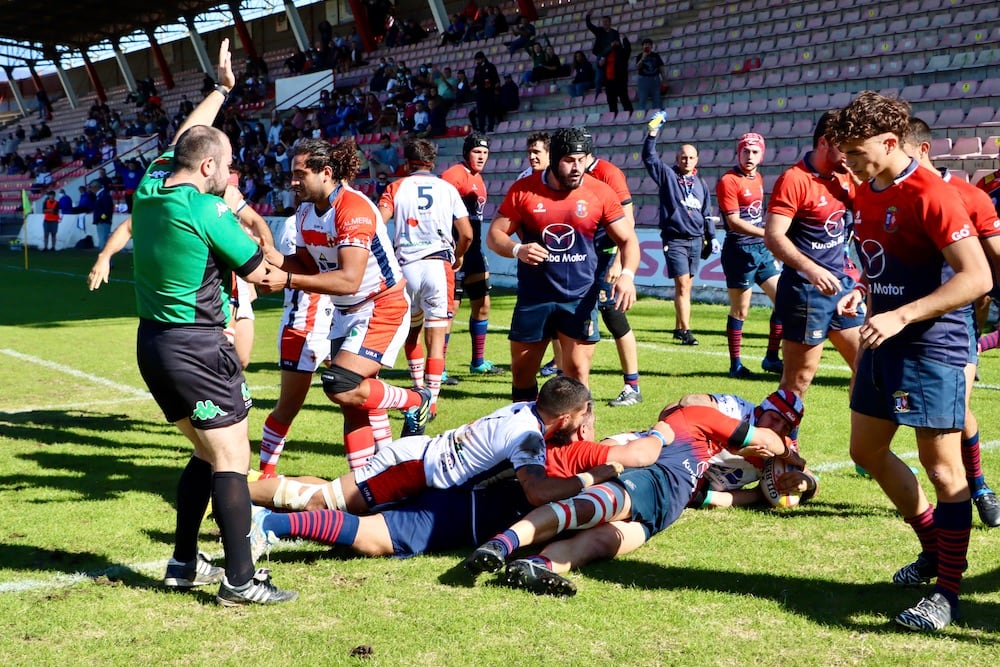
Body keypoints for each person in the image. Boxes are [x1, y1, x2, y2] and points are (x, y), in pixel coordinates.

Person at [130, 38, 296, 606]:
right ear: (209, 168)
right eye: (225, 167)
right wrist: (307, 271)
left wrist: (223, 89)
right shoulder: (206, 209)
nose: (230, 175)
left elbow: (184, 140)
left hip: (152, 344)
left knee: (205, 452)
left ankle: (181, 563)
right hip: (197, 347)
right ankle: (240, 581)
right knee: (231, 458)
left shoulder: (152, 186)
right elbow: (263, 276)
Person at [829, 91, 991, 632]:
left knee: (944, 470)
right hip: (883, 337)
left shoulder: (932, 193)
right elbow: (884, 262)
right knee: (867, 450)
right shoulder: (867, 187)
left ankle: (947, 593)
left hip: (931, 348)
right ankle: (932, 548)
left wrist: (904, 315)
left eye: (854, 151)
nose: (844, 162)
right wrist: (865, 293)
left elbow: (977, 277)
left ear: (891, 142)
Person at [465, 389, 806, 595]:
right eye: (773, 420)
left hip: (667, 508)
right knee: (592, 504)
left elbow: (713, 495)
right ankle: (501, 543)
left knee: (600, 543)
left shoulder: (731, 457)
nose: (774, 428)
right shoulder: (705, 415)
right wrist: (788, 452)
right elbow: (765, 440)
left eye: (785, 426)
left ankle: (537, 566)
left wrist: (787, 486)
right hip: (653, 477)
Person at [246, 396, 662, 559]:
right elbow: (539, 491)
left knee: (326, 493)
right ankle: (252, 511)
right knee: (334, 507)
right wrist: (600, 471)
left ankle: (244, 495)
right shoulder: (537, 439)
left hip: (430, 474)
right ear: (571, 419)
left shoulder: (528, 407)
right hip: (421, 474)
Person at [258, 137, 431, 471]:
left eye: (299, 174)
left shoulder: (353, 208)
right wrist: (273, 259)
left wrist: (287, 280)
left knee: (340, 384)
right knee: (354, 406)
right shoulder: (306, 211)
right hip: (345, 312)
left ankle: (415, 400)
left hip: (382, 305)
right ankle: (365, 485)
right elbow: (309, 267)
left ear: (326, 172)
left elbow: (348, 278)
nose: (292, 181)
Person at [486, 126, 639, 399]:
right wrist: (517, 249)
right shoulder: (524, 190)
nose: (577, 167)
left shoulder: (601, 192)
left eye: (582, 160)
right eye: (569, 160)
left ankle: (579, 438)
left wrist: (627, 274)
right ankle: (527, 436)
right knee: (522, 371)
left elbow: (628, 239)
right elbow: (495, 235)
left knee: (578, 373)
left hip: (578, 298)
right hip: (534, 297)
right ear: (555, 158)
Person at [901, 118, 1000, 528]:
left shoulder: (969, 194)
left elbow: (991, 260)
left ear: (922, 150)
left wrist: (984, 308)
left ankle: (977, 488)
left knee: (957, 413)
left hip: (954, 324)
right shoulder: (885, 193)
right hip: (894, 324)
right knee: (866, 441)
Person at [764, 112, 863, 421]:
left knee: (868, 365)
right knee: (799, 380)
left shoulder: (847, 177)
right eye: (844, 147)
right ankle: (783, 452)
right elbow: (773, 235)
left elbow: (872, 210)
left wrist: (858, 182)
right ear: (824, 143)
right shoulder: (794, 180)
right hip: (806, 291)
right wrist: (811, 269)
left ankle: (865, 449)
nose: (850, 155)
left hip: (842, 287)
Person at [379, 138, 472, 418]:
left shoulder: (396, 187)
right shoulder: (447, 188)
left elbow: (377, 224)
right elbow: (466, 233)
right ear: (433, 163)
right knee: (436, 337)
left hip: (406, 267)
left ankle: (418, 390)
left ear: (407, 163)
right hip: (437, 265)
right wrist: (460, 255)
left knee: (412, 332)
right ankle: (431, 402)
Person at [256, 211, 335, 478]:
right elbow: (297, 271)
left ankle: (374, 475)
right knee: (288, 407)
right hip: (304, 325)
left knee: (357, 399)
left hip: (342, 319)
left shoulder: (346, 213)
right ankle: (265, 476)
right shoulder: (295, 223)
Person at [642, 112, 716, 346]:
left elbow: (707, 213)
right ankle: (686, 331)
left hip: (696, 239)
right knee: (683, 285)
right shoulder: (668, 176)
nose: (687, 161)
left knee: (686, 286)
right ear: (677, 158)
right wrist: (653, 133)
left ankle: (677, 326)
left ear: (697, 160)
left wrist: (711, 237)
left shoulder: (701, 184)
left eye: (691, 157)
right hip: (675, 239)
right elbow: (649, 158)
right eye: (683, 157)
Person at [717, 132, 783, 378]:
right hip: (739, 251)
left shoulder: (757, 178)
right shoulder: (729, 181)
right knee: (740, 310)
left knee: (783, 300)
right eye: (746, 151)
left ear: (762, 154)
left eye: (755, 152)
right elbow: (733, 222)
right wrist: (765, 233)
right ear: (739, 152)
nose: (750, 156)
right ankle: (735, 365)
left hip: (761, 249)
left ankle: (771, 358)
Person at [442, 132, 501, 375]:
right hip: (457, 252)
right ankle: (440, 367)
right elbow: (440, 209)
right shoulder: (454, 176)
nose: (482, 157)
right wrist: (456, 249)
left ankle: (478, 362)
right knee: (450, 310)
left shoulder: (477, 178)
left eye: (485, 153)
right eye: (477, 152)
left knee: (483, 305)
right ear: (467, 152)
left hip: (474, 251)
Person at [585, 12, 620, 95]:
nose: (604, 23)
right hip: (601, 56)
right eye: (603, 21)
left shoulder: (614, 33)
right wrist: (588, 15)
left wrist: (615, 44)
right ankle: (598, 95)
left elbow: (618, 44)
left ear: (610, 22)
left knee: (611, 77)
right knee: (598, 78)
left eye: (606, 21)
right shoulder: (599, 31)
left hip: (611, 57)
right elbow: (589, 25)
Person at [602, 34, 633, 114]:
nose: (614, 43)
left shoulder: (622, 52)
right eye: (613, 42)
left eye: (616, 41)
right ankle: (614, 118)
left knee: (624, 100)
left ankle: (629, 115)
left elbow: (628, 49)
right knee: (611, 102)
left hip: (620, 81)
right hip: (609, 82)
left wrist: (625, 38)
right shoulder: (607, 53)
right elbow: (601, 64)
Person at [471, 51, 500, 133]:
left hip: (489, 92)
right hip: (480, 93)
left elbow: (496, 79)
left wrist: (495, 88)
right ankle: (481, 128)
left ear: (483, 58)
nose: (478, 61)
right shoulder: (477, 68)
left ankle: (490, 127)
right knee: (481, 112)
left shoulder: (491, 67)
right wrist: (471, 84)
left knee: (490, 110)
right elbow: (475, 80)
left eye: (479, 59)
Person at [634, 38, 664, 110]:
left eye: (648, 44)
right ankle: (641, 118)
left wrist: (664, 78)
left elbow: (661, 67)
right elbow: (637, 67)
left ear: (651, 46)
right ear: (642, 47)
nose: (647, 46)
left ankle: (656, 119)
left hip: (655, 79)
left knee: (657, 100)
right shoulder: (639, 56)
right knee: (642, 100)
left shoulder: (656, 56)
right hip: (643, 80)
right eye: (645, 45)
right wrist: (643, 58)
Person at [91, 180, 115, 251]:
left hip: (103, 222)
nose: (91, 190)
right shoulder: (101, 195)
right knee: (103, 239)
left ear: (96, 187)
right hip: (101, 221)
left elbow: (107, 209)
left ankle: (105, 259)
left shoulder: (104, 195)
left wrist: (102, 218)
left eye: (92, 188)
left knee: (103, 241)